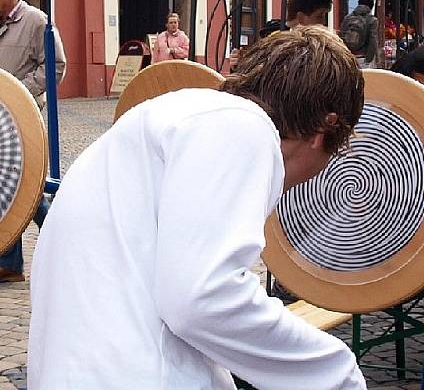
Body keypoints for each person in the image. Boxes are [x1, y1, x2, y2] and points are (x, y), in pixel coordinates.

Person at [28, 26, 367, 390]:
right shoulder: (243, 127)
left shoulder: (176, 114)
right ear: (324, 129)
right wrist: (336, 371)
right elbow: (201, 298)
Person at [0, 0, 66, 283]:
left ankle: (63, 243)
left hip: (25, 116)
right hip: (1, 118)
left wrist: (19, 90)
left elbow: (55, 66)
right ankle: (12, 262)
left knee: (28, 185)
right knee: (12, 187)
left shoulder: (36, 20)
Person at [340, 0, 379, 67]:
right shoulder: (372, 20)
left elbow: (341, 36)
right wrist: (369, 60)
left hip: (348, 57)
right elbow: (373, 41)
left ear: (358, 3)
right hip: (362, 58)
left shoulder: (347, 18)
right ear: (371, 6)